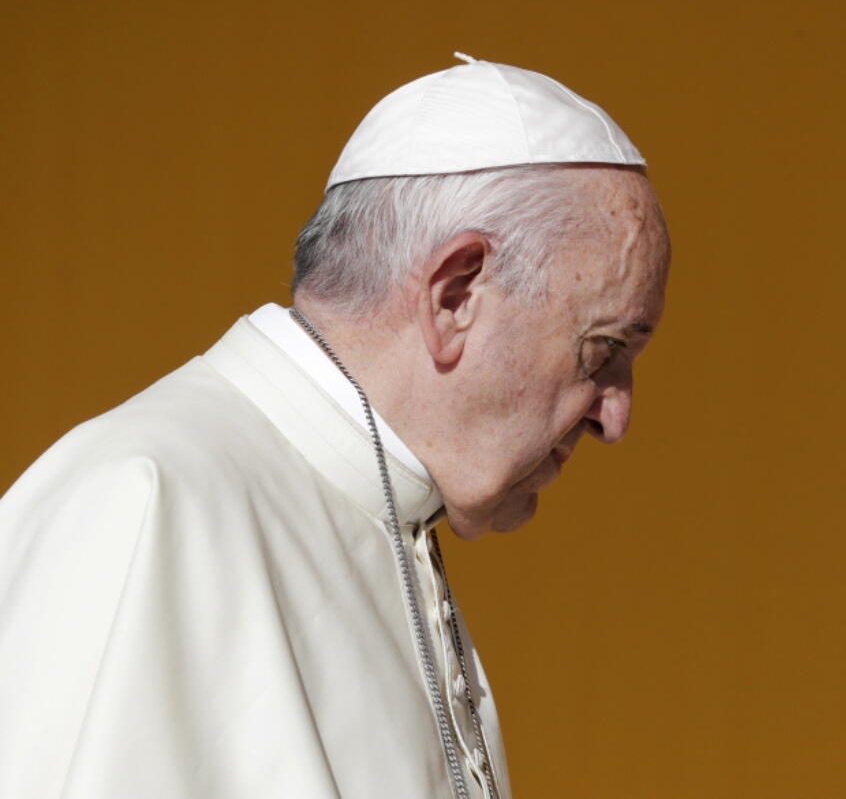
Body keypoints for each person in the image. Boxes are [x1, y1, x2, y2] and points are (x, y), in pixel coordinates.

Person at [0, 53, 670, 799]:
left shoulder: (390, 520)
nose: (616, 416)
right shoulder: (145, 500)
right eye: (604, 350)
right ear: (454, 295)